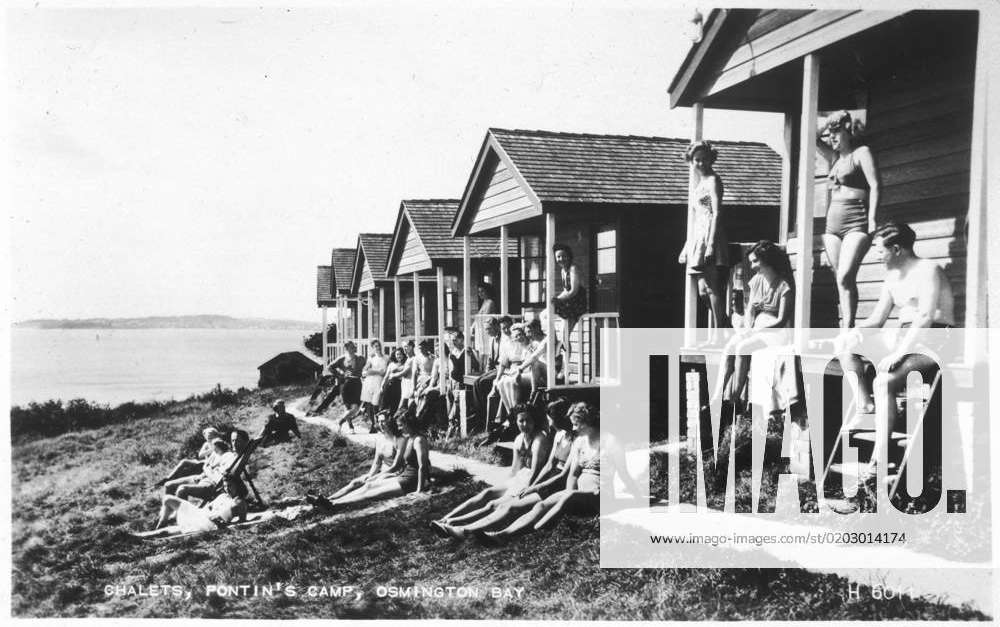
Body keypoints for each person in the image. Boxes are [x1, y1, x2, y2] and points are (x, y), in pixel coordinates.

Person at [838, 222, 953, 473]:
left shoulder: (927, 270)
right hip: (903, 337)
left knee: (883, 382)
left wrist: (899, 354)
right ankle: (865, 406)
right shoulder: (892, 277)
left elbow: (925, 317)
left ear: (897, 249)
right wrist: (853, 333)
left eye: (880, 250)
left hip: (934, 338)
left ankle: (879, 459)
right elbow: (877, 319)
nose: (877, 256)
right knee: (847, 349)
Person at [478, 403, 640, 543]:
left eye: (576, 424)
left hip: (601, 495)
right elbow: (573, 474)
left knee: (568, 497)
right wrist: (571, 491)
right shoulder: (579, 442)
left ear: (587, 422)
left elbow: (624, 474)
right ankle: (502, 534)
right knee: (542, 504)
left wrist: (639, 498)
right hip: (578, 493)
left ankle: (539, 528)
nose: (573, 428)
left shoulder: (611, 442)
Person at [430, 401, 573, 538]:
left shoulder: (539, 440)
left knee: (493, 504)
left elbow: (536, 470)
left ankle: (456, 524)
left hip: (531, 479)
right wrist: (507, 486)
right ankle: (445, 519)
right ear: (515, 421)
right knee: (488, 493)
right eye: (521, 421)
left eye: (528, 421)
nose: (524, 425)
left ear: (534, 421)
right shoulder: (519, 439)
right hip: (521, 477)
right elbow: (515, 469)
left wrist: (522, 490)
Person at [711, 241, 794, 407]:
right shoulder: (757, 280)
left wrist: (758, 330)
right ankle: (717, 396)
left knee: (742, 348)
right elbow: (750, 309)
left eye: (755, 261)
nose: (752, 265)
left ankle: (734, 398)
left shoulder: (784, 286)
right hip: (757, 329)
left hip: (776, 333)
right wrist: (748, 328)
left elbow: (781, 321)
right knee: (730, 347)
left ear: (766, 261)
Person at [817, 110, 881, 328]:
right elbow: (811, 140)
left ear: (848, 131)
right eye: (829, 134)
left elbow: (875, 185)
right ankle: (847, 329)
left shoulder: (861, 153)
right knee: (841, 280)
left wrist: (872, 218)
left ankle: (849, 326)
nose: (831, 138)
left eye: (836, 133)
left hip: (856, 220)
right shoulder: (834, 158)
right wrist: (827, 123)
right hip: (832, 225)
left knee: (845, 276)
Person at [322, 406, 432, 506]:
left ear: (408, 424)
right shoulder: (409, 438)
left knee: (374, 494)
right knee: (369, 486)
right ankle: (330, 501)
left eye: (401, 425)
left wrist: (419, 490)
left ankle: (335, 504)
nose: (399, 428)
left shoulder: (419, 440)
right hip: (404, 476)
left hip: (411, 481)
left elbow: (423, 467)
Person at [679, 140, 730, 332]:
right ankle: (725, 326)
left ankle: (718, 335)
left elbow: (715, 212)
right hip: (698, 237)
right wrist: (686, 247)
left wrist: (711, 244)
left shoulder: (713, 180)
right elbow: (695, 218)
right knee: (702, 292)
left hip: (711, 236)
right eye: (696, 160)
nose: (700, 163)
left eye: (704, 159)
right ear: (691, 161)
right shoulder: (698, 183)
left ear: (711, 160)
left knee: (712, 288)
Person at [318, 411, 408, 504]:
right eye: (379, 421)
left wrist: (376, 477)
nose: (381, 424)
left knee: (368, 485)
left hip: (393, 474)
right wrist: (371, 475)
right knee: (355, 482)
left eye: (384, 421)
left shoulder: (399, 440)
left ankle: (335, 503)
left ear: (390, 422)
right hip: (381, 472)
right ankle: (327, 499)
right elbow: (377, 462)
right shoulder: (380, 439)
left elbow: (396, 466)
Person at [154, 475, 249, 532]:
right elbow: (208, 507)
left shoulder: (240, 502)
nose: (227, 489)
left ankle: (158, 530)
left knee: (169, 503)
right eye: (225, 486)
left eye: (230, 486)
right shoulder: (223, 496)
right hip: (201, 514)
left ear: (237, 485)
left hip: (208, 524)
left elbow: (242, 523)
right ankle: (160, 526)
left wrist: (224, 524)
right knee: (167, 499)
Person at [165, 438, 237, 502]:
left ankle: (184, 515)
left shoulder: (228, 456)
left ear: (219, 447)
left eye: (215, 447)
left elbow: (219, 477)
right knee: (168, 485)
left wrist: (208, 470)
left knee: (182, 489)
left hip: (210, 484)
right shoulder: (215, 454)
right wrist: (208, 470)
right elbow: (205, 466)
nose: (213, 449)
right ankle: (169, 512)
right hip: (200, 477)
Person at [550, 244, 587, 361]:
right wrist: (556, 298)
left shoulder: (573, 268)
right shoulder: (562, 271)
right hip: (568, 303)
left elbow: (573, 291)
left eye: (564, 256)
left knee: (565, 336)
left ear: (569, 256)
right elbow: (565, 290)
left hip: (577, 303)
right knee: (545, 314)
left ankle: (565, 367)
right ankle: (554, 345)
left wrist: (559, 299)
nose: (561, 259)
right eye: (558, 257)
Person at [329, 341, 365, 433]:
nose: (351, 349)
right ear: (346, 349)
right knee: (348, 408)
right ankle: (351, 427)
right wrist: (340, 374)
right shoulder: (341, 359)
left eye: (353, 347)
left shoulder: (360, 358)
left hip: (357, 384)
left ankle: (340, 422)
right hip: (346, 384)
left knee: (355, 408)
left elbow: (368, 366)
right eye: (349, 348)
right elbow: (330, 367)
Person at [360, 339, 388, 429]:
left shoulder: (386, 358)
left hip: (380, 382)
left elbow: (384, 372)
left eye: (378, 345)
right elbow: (364, 371)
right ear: (372, 348)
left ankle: (378, 424)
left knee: (376, 403)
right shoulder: (371, 358)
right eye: (375, 346)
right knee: (370, 404)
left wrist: (372, 371)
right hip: (370, 382)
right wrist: (375, 371)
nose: (378, 347)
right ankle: (373, 424)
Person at [380, 347, 408, 414]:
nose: (399, 356)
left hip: (399, 386)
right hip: (389, 385)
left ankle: (391, 421)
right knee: (384, 405)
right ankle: (382, 421)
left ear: (403, 355)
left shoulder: (406, 364)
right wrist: (382, 386)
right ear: (394, 355)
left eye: (400, 354)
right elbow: (386, 376)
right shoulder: (391, 364)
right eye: (397, 354)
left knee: (395, 406)